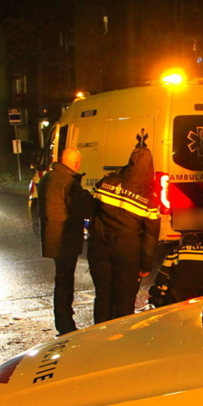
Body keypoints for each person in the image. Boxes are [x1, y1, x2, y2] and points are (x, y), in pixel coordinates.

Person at [87, 144, 160, 324]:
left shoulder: (107, 182)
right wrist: (146, 264)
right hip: (128, 254)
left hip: (99, 249)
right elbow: (151, 234)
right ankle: (120, 339)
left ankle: (100, 335)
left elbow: (92, 210)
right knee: (125, 299)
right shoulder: (149, 198)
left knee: (103, 295)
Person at [39, 148, 95, 336]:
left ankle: (62, 319)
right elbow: (84, 209)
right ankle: (65, 324)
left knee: (61, 279)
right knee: (65, 281)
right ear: (77, 163)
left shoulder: (47, 178)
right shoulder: (69, 183)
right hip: (66, 238)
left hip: (52, 236)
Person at [148, 233, 203, 307]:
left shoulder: (176, 251)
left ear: (181, 243)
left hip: (179, 292)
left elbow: (161, 276)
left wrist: (159, 286)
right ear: (199, 243)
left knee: (155, 291)